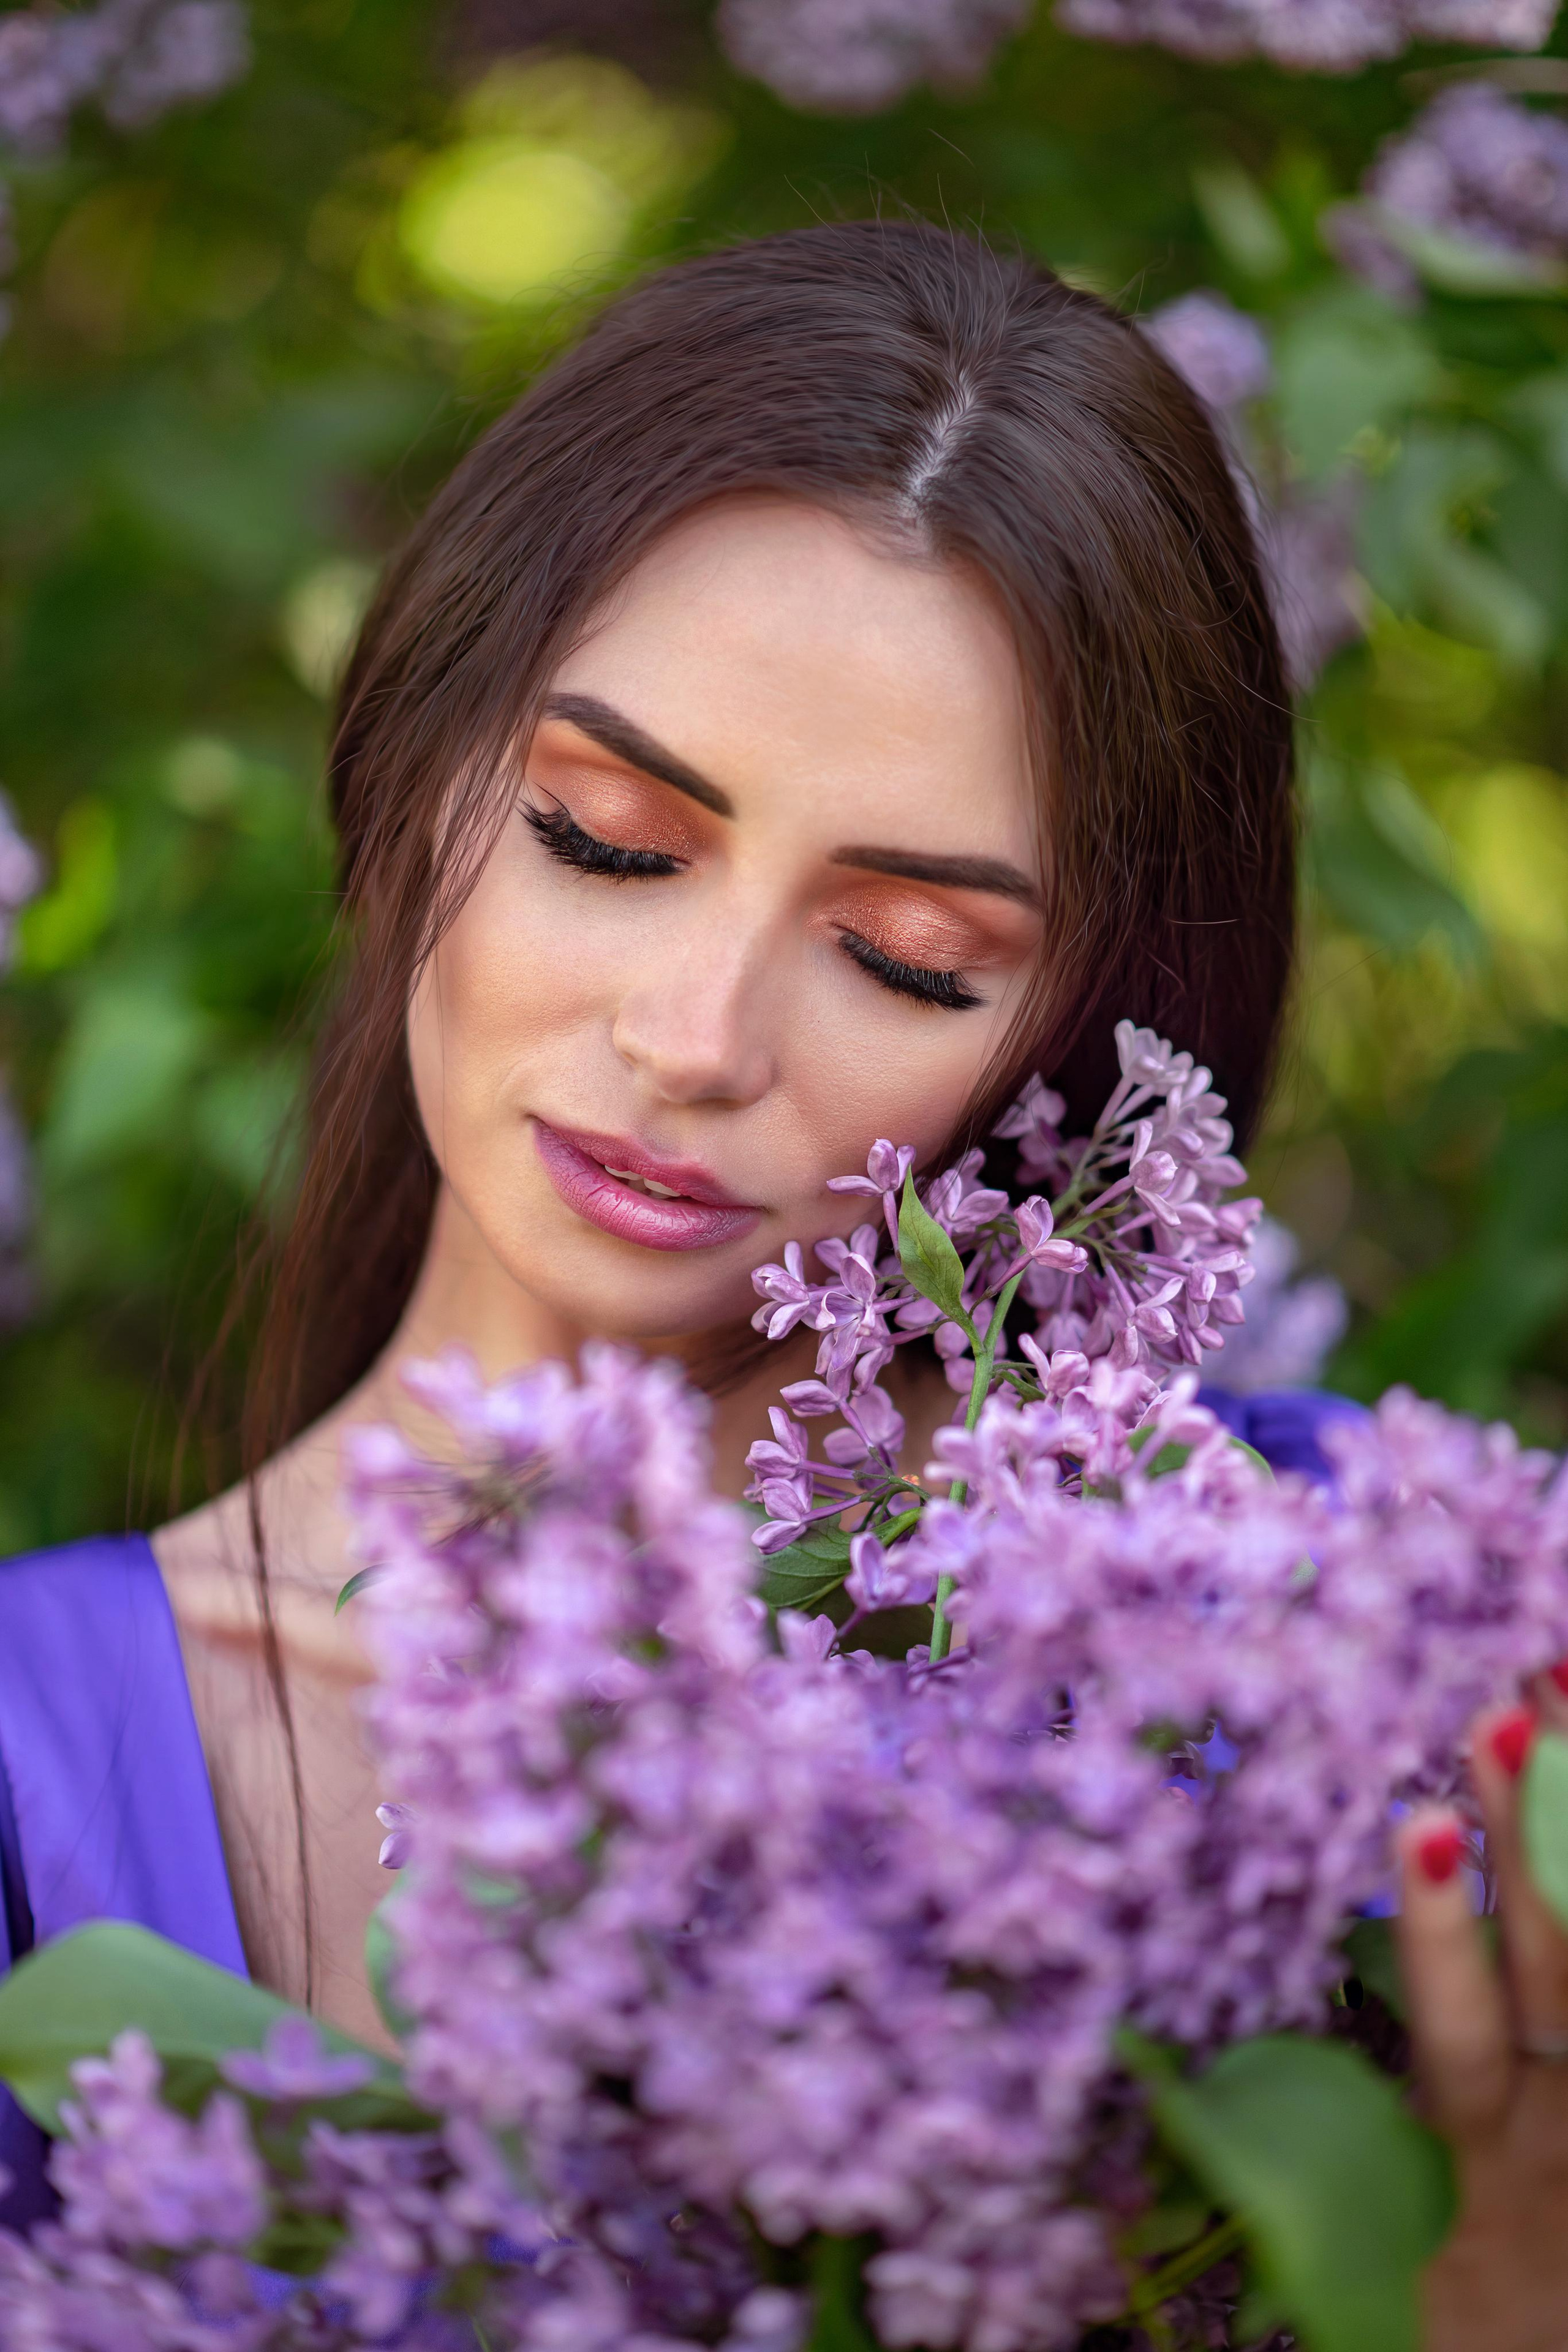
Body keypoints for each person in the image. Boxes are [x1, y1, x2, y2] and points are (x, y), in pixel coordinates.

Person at [0, 221, 1560, 2344]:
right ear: (408, 769)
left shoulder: (1323, 1651)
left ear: (1075, 1041)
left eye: (911, 960)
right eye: (610, 840)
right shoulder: (43, 1774)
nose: (701, 1035)